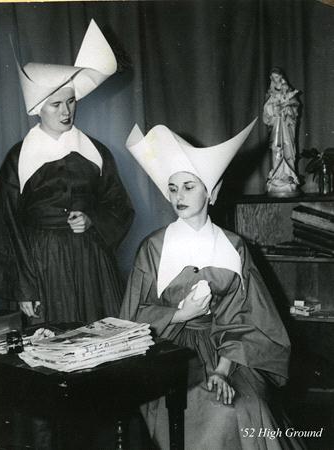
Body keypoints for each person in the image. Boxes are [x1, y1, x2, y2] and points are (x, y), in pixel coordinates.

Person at [120, 120, 306, 449]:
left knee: (246, 407)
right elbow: (130, 318)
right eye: (173, 188)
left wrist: (222, 371)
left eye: (189, 186)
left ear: (212, 191)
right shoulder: (154, 247)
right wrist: (180, 314)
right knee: (211, 415)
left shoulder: (233, 247)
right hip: (167, 354)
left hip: (229, 356)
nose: (179, 196)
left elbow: (249, 321)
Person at [0, 20, 134, 325]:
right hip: (42, 266)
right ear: (37, 108)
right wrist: (24, 287)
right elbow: (5, 226)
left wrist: (92, 219)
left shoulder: (96, 152)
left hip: (91, 263)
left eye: (71, 101)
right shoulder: (19, 158)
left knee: (103, 347)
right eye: (55, 104)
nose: (66, 112)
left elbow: (119, 205)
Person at [263, 67, 300, 196]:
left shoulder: (288, 92)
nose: (275, 80)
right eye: (273, 78)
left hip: (286, 126)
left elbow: (295, 109)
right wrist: (274, 109)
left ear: (281, 77)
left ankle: (289, 175)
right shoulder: (270, 94)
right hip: (276, 128)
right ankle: (277, 177)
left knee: (288, 149)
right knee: (276, 149)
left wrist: (287, 108)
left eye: (277, 77)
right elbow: (266, 114)